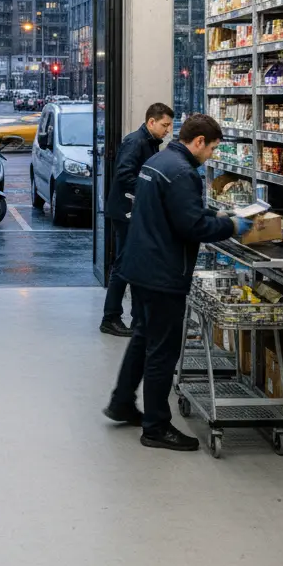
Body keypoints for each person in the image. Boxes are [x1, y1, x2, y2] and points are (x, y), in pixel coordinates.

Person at [103, 113, 251, 451]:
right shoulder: (184, 173)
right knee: (162, 351)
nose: (212, 154)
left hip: (139, 266)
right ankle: (156, 427)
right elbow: (191, 228)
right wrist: (231, 227)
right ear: (198, 142)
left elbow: (170, 212)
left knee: (142, 336)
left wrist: (213, 215)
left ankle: (122, 401)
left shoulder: (159, 160)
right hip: (162, 273)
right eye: (212, 148)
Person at [100, 103, 175, 337]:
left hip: (133, 211)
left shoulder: (150, 143)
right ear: (151, 122)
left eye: (170, 126)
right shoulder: (136, 142)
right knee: (124, 266)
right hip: (126, 213)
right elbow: (124, 174)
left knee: (132, 265)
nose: (168, 130)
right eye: (165, 125)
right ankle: (110, 317)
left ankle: (137, 319)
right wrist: (149, 191)